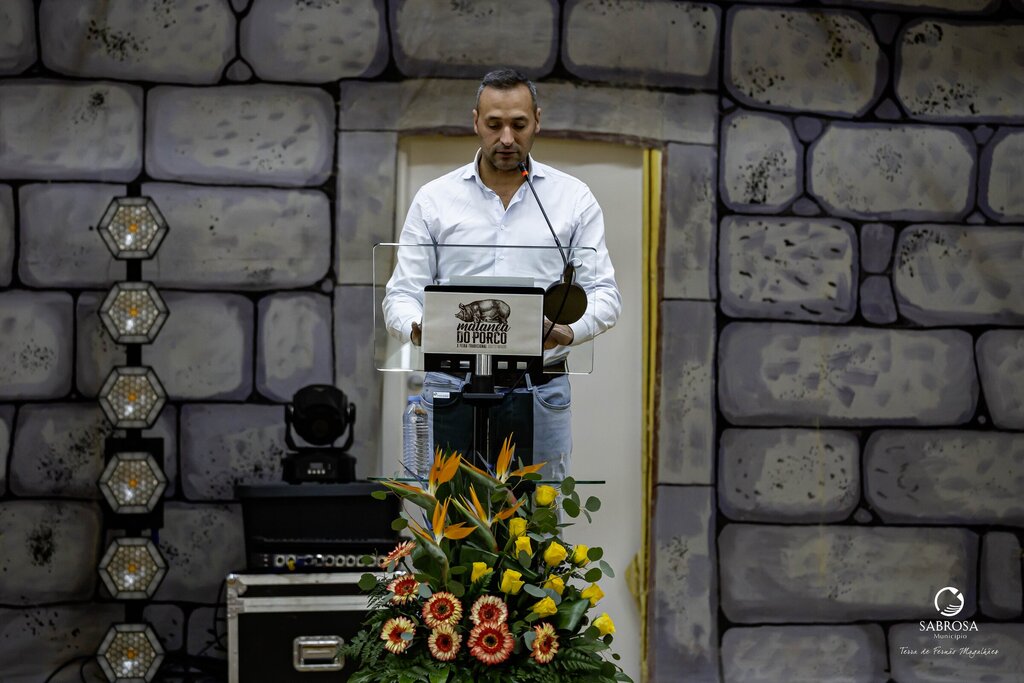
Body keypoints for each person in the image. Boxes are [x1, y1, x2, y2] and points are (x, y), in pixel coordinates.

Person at [383, 69, 620, 480]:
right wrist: (419, 328)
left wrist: (566, 331)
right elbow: (400, 296)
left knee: (537, 518)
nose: (507, 138)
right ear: (476, 121)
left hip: (539, 387)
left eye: (519, 124)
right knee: (449, 514)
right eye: (494, 125)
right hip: (451, 384)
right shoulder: (435, 199)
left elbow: (605, 294)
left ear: (537, 121)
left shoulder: (572, 199)